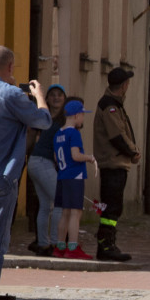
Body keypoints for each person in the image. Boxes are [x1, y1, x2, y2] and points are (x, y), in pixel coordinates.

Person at [0, 45, 52, 300]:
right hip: (0, 174)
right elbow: (43, 121)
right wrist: (38, 96)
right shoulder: (12, 94)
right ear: (10, 67)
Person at [93, 67, 139, 262]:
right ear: (124, 86)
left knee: (114, 206)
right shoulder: (109, 106)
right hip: (113, 162)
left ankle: (109, 243)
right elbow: (116, 135)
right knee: (111, 207)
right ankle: (105, 245)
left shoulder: (115, 104)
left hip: (117, 162)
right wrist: (133, 152)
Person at [52, 100, 97, 260]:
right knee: (75, 213)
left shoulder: (58, 134)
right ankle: (72, 246)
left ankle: (60, 246)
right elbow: (75, 155)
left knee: (64, 212)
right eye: (83, 115)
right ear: (77, 115)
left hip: (62, 175)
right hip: (74, 176)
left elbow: (57, 158)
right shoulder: (73, 133)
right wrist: (90, 158)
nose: (83, 119)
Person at [25, 82, 66, 256]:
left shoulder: (53, 119)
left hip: (36, 161)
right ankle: (56, 243)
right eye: (53, 95)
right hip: (42, 161)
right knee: (60, 201)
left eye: (60, 95)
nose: (56, 98)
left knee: (44, 205)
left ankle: (43, 243)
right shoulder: (53, 120)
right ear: (47, 98)